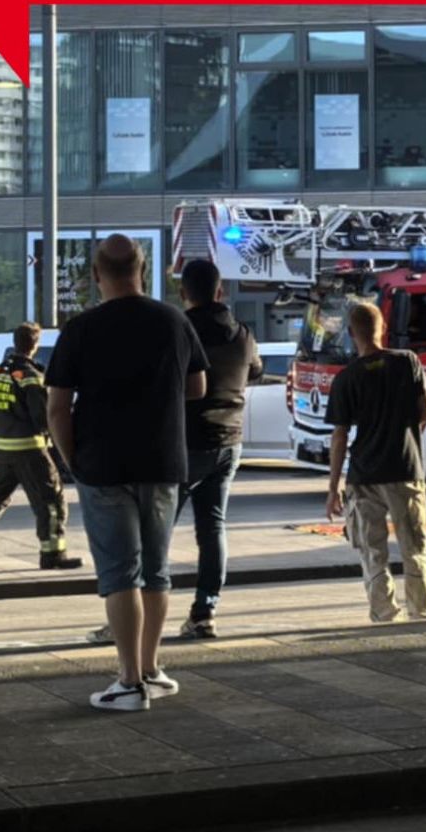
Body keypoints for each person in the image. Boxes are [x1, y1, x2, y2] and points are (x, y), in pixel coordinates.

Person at [47, 235, 208, 712]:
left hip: (103, 465)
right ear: (144, 269)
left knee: (120, 573)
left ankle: (127, 681)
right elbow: (198, 385)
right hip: (162, 462)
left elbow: (57, 407)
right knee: (156, 571)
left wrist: (73, 458)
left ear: (97, 275)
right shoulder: (173, 320)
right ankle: (152, 670)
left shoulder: (81, 328)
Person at [323, 300, 426, 624]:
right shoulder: (407, 362)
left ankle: (384, 613)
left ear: (350, 333)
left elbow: (340, 437)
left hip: (364, 476)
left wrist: (333, 489)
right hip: (405, 469)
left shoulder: (346, 379)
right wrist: (405, 437)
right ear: (383, 328)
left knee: (373, 552)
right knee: (414, 547)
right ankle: (422, 611)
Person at [173, 259, 262, 639]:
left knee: (154, 530)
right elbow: (254, 371)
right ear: (220, 291)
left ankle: (129, 614)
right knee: (213, 528)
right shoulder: (242, 333)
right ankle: (205, 611)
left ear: (183, 293)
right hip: (230, 442)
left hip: (185, 443)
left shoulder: (179, 330)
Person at [0, 323, 82, 571]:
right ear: (35, 345)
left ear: (15, 342)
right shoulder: (30, 377)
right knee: (51, 499)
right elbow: (43, 417)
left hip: (4, 448)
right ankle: (53, 554)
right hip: (31, 449)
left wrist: (5, 423)